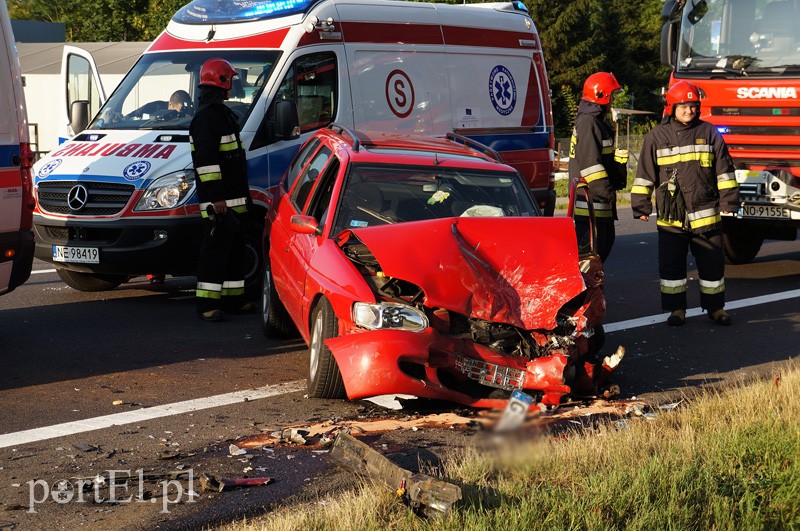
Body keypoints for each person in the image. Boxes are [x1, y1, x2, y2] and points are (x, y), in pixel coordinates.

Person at [631, 80, 739, 326]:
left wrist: (729, 202)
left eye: (693, 106)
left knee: (712, 267)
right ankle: (676, 310)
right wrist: (641, 206)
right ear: (672, 107)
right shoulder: (656, 136)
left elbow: (724, 171)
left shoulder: (710, 133)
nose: (689, 110)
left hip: (706, 213)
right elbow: (645, 174)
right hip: (672, 216)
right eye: (683, 106)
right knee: (671, 267)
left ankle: (716, 308)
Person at [189, 58, 251, 322]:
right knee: (215, 252)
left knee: (235, 250)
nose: (234, 86)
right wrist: (216, 199)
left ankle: (233, 300)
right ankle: (206, 305)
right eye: (231, 80)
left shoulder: (222, 114)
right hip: (219, 201)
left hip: (235, 199)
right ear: (222, 81)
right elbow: (206, 164)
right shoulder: (206, 119)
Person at [568, 72, 628, 262]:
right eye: (613, 95)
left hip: (597, 208)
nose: (614, 100)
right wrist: (607, 194)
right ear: (603, 95)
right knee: (589, 266)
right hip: (590, 209)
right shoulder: (589, 123)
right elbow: (591, 167)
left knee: (597, 261)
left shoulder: (595, 122)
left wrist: (618, 168)